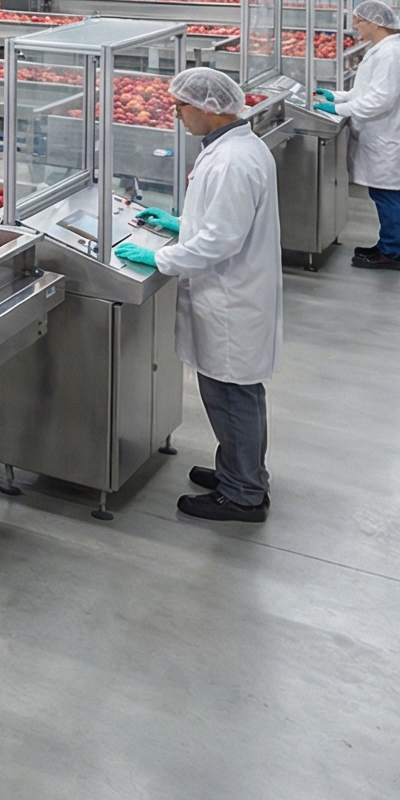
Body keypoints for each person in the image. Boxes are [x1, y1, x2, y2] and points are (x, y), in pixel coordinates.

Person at [112, 67, 282, 523]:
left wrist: (160, 259)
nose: (177, 113)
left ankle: (244, 493)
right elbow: (217, 225)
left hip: (232, 297)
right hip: (230, 292)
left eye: (182, 106)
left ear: (210, 108)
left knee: (233, 396)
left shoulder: (233, 161)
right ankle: (238, 472)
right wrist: (179, 226)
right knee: (231, 393)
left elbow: (221, 241)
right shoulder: (236, 148)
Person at [316, 0, 400, 270]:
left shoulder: (391, 54)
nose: (355, 27)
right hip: (381, 134)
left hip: (386, 137)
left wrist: (339, 108)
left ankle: (393, 253)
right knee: (383, 194)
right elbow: (368, 91)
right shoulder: (384, 49)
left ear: (375, 23)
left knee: (387, 195)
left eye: (359, 21)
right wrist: (337, 96)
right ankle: (387, 245)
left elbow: (381, 100)